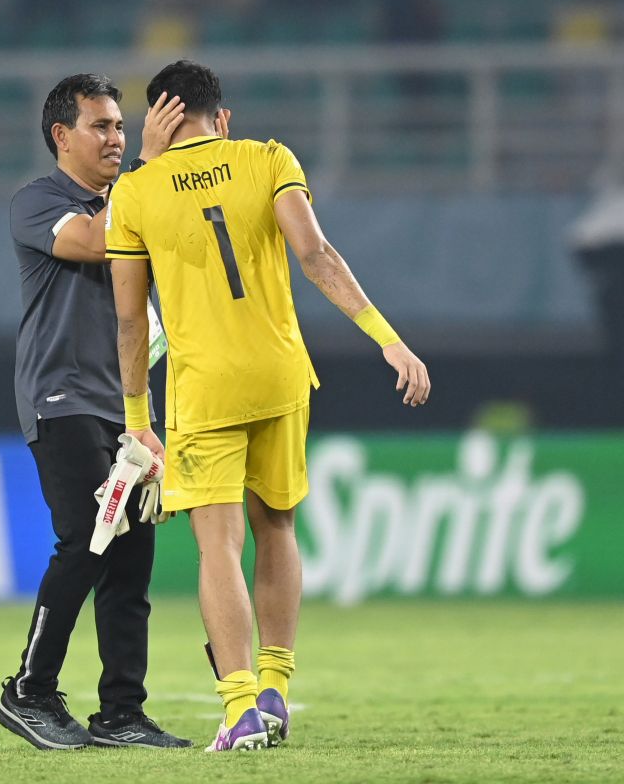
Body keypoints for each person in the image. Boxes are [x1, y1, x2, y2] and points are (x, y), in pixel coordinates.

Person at [105, 60, 430, 751]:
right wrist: (389, 340)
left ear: (160, 117)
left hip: (205, 388)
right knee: (276, 526)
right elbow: (315, 254)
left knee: (217, 545)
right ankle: (278, 686)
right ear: (220, 117)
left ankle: (240, 705)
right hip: (282, 376)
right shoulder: (267, 156)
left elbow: (131, 322)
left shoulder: (133, 193)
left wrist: (138, 417)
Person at [0, 73, 192, 751]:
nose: (116, 138)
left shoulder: (131, 201)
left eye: (119, 126)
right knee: (87, 536)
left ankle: (120, 713)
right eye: (102, 127)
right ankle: (28, 691)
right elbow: (94, 241)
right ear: (61, 135)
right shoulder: (38, 201)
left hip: (124, 405)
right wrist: (148, 165)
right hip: (61, 397)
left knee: (133, 557)